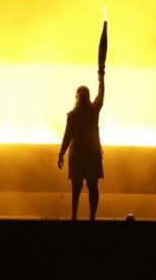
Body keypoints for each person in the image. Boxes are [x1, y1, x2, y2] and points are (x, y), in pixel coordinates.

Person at [58, 70, 105, 220]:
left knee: (79, 188)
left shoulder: (75, 115)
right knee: (88, 187)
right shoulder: (92, 111)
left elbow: (67, 136)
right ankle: (88, 216)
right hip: (89, 154)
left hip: (81, 154)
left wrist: (61, 154)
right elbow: (67, 136)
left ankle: (77, 216)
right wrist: (101, 79)